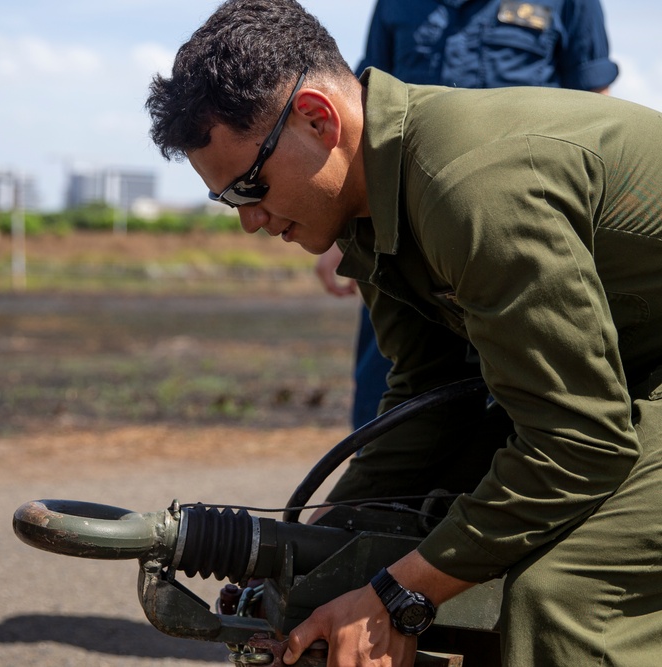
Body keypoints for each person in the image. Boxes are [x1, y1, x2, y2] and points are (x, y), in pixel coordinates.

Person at [145, 0, 662, 665]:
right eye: (229, 200)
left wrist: (399, 593)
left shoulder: (468, 190)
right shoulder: (371, 213)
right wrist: (311, 555)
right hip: (629, 368)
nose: (250, 220)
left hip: (618, 392)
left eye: (251, 186)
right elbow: (432, 398)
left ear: (317, 118)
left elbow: (579, 443)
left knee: (561, 596)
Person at [318, 0, 619, 430]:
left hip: (515, 236)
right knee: (389, 392)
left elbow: (595, 109)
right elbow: (360, 112)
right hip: (403, 236)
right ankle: (375, 496)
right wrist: (341, 235)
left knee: (530, 390)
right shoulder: (394, 5)